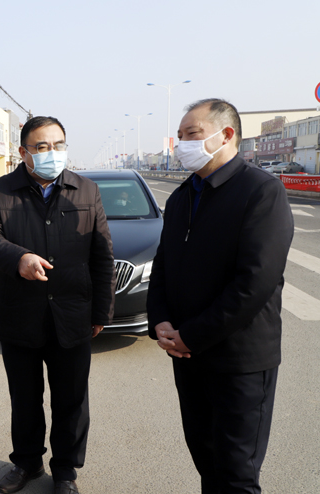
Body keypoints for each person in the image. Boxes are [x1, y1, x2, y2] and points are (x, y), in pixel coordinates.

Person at [147, 99, 294, 493]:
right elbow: (163, 265)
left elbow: (255, 282)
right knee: (206, 459)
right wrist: (160, 320)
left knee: (236, 472)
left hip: (239, 360)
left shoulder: (261, 191)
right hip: (188, 357)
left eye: (192, 134)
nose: (182, 145)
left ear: (226, 134)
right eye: (179, 137)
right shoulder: (182, 197)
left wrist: (192, 335)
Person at [0, 116, 115, 494]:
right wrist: (18, 258)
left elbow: (102, 254)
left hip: (72, 314)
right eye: (42, 147)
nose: (53, 153)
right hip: (20, 315)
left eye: (58, 145)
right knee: (25, 399)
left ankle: (65, 471)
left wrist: (102, 311)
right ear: (23, 152)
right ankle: (27, 462)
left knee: (71, 401)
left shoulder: (86, 191)